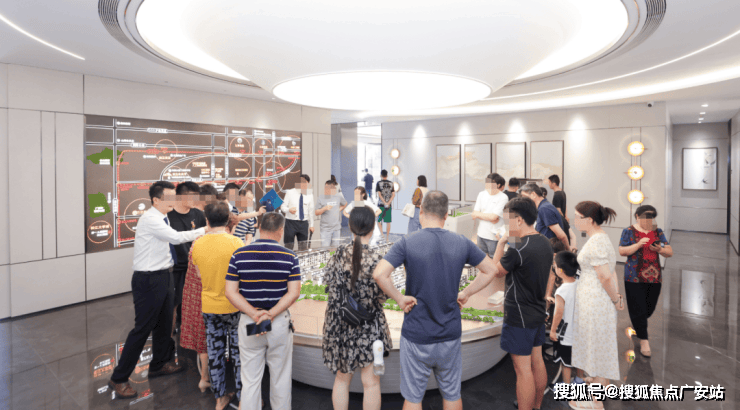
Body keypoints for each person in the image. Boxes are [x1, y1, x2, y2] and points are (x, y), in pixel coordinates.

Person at [373, 191, 498, 410]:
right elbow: (491, 270)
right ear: (446, 215)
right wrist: (467, 293)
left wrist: (400, 299)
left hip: (417, 333)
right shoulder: (461, 242)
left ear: (421, 211)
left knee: (413, 398)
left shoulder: (407, 242)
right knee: (452, 393)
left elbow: (379, 274)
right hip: (450, 332)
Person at [108, 181, 206, 399]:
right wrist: (205, 230)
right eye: (169, 197)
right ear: (156, 200)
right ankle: (119, 377)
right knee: (143, 329)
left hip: (164, 275)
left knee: (164, 324)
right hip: (148, 279)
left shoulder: (163, 217)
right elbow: (176, 238)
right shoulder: (150, 219)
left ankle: (160, 363)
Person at [224, 213, 301, 410]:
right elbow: (294, 293)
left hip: (250, 322)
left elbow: (230, 292)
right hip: (278, 322)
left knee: (249, 379)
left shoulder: (239, 255)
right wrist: (271, 314)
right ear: (281, 231)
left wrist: (254, 314)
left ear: (259, 228)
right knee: (281, 377)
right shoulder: (290, 257)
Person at [322, 206, 392, 410]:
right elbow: (382, 297)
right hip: (369, 326)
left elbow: (328, 284)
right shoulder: (377, 259)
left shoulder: (338, 255)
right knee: (371, 383)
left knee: (342, 379)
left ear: (350, 226)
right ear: (372, 227)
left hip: (341, 325)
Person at [486, 197, 553, 410]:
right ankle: (537, 405)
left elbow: (495, 271)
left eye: (508, 221)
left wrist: (501, 243)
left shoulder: (518, 248)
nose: (506, 225)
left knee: (522, 369)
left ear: (519, 220)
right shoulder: (544, 241)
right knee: (537, 361)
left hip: (519, 315)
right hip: (537, 311)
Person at [191, 202, 245, 409]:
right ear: (228, 220)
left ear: (207, 221)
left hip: (210, 307)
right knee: (239, 354)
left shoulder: (198, 244)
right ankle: (243, 399)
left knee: (215, 354)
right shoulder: (236, 243)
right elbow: (243, 277)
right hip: (234, 306)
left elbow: (199, 275)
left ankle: (219, 399)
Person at [571, 201, 623, 410]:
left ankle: (595, 401)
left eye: (577, 216)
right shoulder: (598, 238)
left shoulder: (597, 241)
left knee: (595, 345)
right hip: (594, 299)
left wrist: (615, 299)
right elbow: (611, 272)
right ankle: (602, 383)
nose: (574, 220)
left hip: (595, 301)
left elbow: (605, 276)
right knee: (599, 343)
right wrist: (616, 297)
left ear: (589, 220)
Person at [618, 205, 673, 358]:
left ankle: (638, 323)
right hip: (633, 276)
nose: (649, 220)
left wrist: (660, 250)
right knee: (638, 307)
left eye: (651, 217)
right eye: (646, 216)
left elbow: (669, 252)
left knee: (649, 307)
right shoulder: (628, 231)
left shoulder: (657, 232)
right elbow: (622, 251)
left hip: (654, 276)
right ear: (637, 216)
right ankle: (644, 340)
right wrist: (638, 244)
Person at [167, 181, 207, 336]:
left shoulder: (198, 215)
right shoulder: (168, 216)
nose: (195, 200)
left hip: (194, 267)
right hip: (175, 268)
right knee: (173, 303)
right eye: (192, 196)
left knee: (192, 303)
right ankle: (169, 337)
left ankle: (187, 334)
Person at [549, 251, 579, 387]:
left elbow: (558, 313)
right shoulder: (579, 283)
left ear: (560, 270)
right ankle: (579, 380)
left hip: (566, 334)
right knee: (577, 359)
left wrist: (553, 330)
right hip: (579, 331)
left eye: (555, 266)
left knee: (565, 362)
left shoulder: (561, 291)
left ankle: (566, 388)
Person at [519, 183, 569, 249]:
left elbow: (561, 235)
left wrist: (568, 251)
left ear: (533, 194)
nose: (523, 200)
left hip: (550, 249)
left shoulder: (545, 208)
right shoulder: (542, 207)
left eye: (524, 196)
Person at [472, 173, 508, 257]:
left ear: (498, 185)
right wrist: (490, 217)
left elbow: (494, 217)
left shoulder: (503, 197)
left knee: (494, 260)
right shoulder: (481, 194)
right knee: (481, 259)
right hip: (481, 233)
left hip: (494, 236)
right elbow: (474, 214)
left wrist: (480, 215)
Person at [280, 174, 314, 250]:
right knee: (288, 246)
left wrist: (312, 225)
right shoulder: (290, 192)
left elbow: (311, 211)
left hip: (304, 224)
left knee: (303, 247)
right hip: (290, 223)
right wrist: (289, 210)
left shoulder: (310, 195)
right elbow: (283, 207)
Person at [316, 180, 348, 247]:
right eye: (326, 187)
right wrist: (324, 208)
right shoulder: (321, 198)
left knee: (334, 249)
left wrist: (338, 209)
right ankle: (327, 254)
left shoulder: (338, 196)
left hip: (336, 228)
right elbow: (316, 213)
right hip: (325, 229)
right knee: (325, 248)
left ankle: (332, 254)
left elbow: (345, 204)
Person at [375, 170, 395, 241]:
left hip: (381, 205)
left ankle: (382, 235)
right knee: (388, 222)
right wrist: (388, 202)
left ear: (381, 175)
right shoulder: (391, 183)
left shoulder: (379, 183)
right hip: (388, 206)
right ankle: (387, 238)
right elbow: (393, 195)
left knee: (378, 221)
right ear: (387, 175)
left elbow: (379, 195)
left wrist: (384, 202)